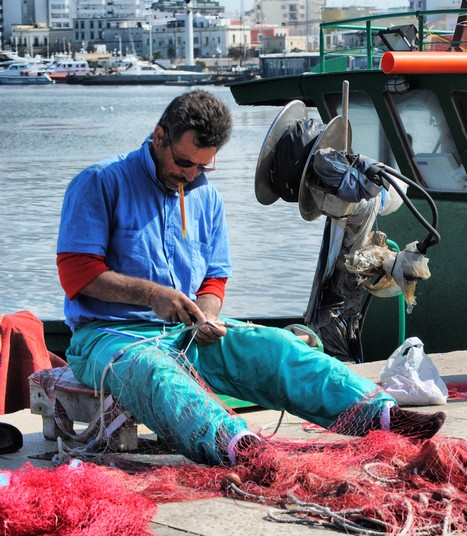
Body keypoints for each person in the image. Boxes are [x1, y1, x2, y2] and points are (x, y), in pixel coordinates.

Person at [56, 90, 445, 466]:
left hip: (181, 333)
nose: (191, 175)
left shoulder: (205, 196)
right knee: (153, 373)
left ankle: (380, 417)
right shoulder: (100, 182)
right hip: (106, 337)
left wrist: (207, 313)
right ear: (160, 137)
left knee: (277, 348)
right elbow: (77, 274)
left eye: (203, 167)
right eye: (183, 162)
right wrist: (153, 295)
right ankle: (236, 447)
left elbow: (214, 277)